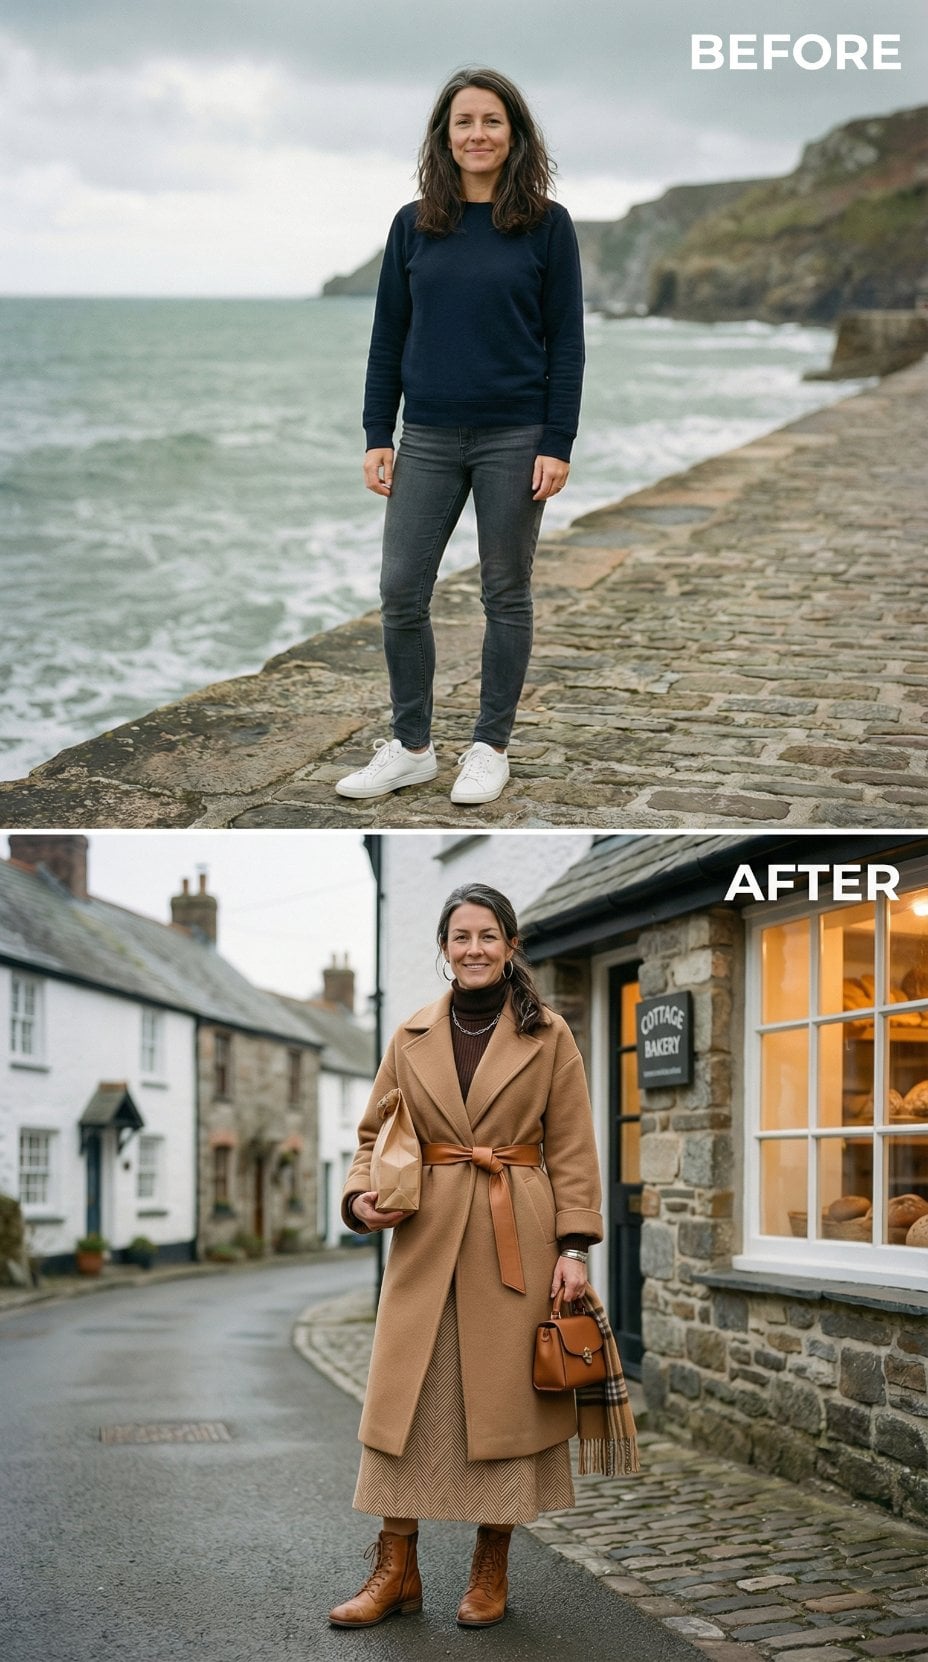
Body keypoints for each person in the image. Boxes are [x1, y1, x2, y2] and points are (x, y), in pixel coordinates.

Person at [329, 882, 602, 1629]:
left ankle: (491, 1567)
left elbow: (574, 1147)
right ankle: (395, 1568)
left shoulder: (550, 1034)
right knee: (403, 1399)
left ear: (511, 946)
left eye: (488, 936)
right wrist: (359, 1201)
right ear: (444, 950)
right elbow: (370, 1136)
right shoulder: (410, 1034)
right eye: (461, 937)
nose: (474, 949)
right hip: (423, 1233)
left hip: (516, 1224)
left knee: (504, 1401)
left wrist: (574, 1246)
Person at [336, 67, 585, 808]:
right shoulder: (414, 224)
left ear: (515, 135)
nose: (477, 134)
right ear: (445, 138)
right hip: (431, 437)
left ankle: (489, 746)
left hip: (516, 435)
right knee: (401, 587)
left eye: (492, 122)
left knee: (505, 592)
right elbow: (389, 336)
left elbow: (566, 344)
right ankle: (412, 747)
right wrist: (378, 430)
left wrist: (557, 440)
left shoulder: (548, 224)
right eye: (463, 123)